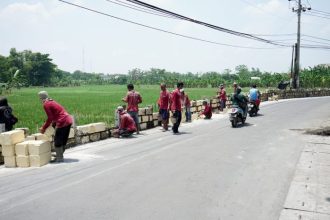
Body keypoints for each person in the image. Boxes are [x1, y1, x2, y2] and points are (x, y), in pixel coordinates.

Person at [38, 91, 72, 163]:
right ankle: (59, 154)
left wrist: (43, 128)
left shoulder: (46, 104)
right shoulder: (51, 101)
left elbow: (50, 118)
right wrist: (53, 125)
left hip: (62, 122)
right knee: (63, 139)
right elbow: (55, 115)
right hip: (68, 120)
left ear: (41, 98)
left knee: (57, 140)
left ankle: (59, 158)